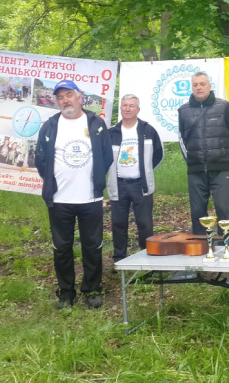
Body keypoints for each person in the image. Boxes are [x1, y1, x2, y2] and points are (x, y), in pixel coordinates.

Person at [35, 80, 113, 309]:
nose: (65, 100)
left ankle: (92, 289)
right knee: (61, 249)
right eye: (60, 97)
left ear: (79, 97)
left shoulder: (96, 123)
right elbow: (40, 160)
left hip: (90, 198)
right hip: (60, 199)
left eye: (69, 95)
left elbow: (107, 156)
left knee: (93, 246)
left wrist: (96, 178)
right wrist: (53, 182)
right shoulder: (50, 126)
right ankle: (66, 292)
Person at [177, 71, 229, 235]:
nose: (199, 88)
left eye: (202, 84)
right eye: (195, 85)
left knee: (222, 208)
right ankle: (200, 245)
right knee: (197, 211)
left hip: (220, 169)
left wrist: (225, 157)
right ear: (192, 87)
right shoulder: (183, 111)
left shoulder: (225, 107)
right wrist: (191, 160)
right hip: (195, 170)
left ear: (209, 86)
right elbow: (181, 138)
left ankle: (226, 243)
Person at [108, 94, 164, 265]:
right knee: (118, 223)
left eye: (131, 106)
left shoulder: (148, 130)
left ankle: (147, 257)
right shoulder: (112, 132)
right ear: (121, 109)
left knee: (144, 223)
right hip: (119, 184)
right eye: (125, 105)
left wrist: (145, 170)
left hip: (141, 184)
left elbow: (158, 154)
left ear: (138, 109)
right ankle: (119, 258)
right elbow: (104, 157)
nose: (128, 108)